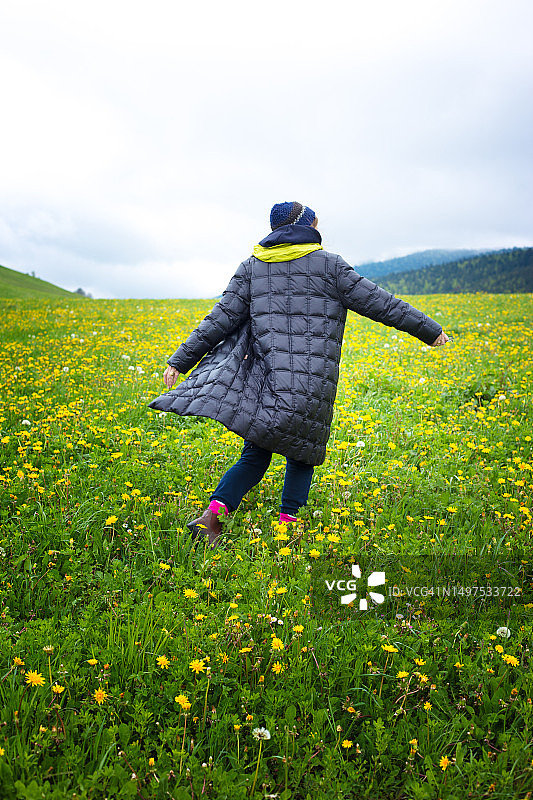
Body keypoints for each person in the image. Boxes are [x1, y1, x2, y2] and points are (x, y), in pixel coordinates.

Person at [149, 202, 449, 546]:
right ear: (307, 226)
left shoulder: (252, 267)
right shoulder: (330, 265)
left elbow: (220, 317)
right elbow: (383, 303)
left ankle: (212, 518)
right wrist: (429, 330)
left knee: (255, 454)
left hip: (266, 381)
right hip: (312, 383)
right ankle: (286, 529)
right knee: (302, 454)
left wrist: (180, 360)